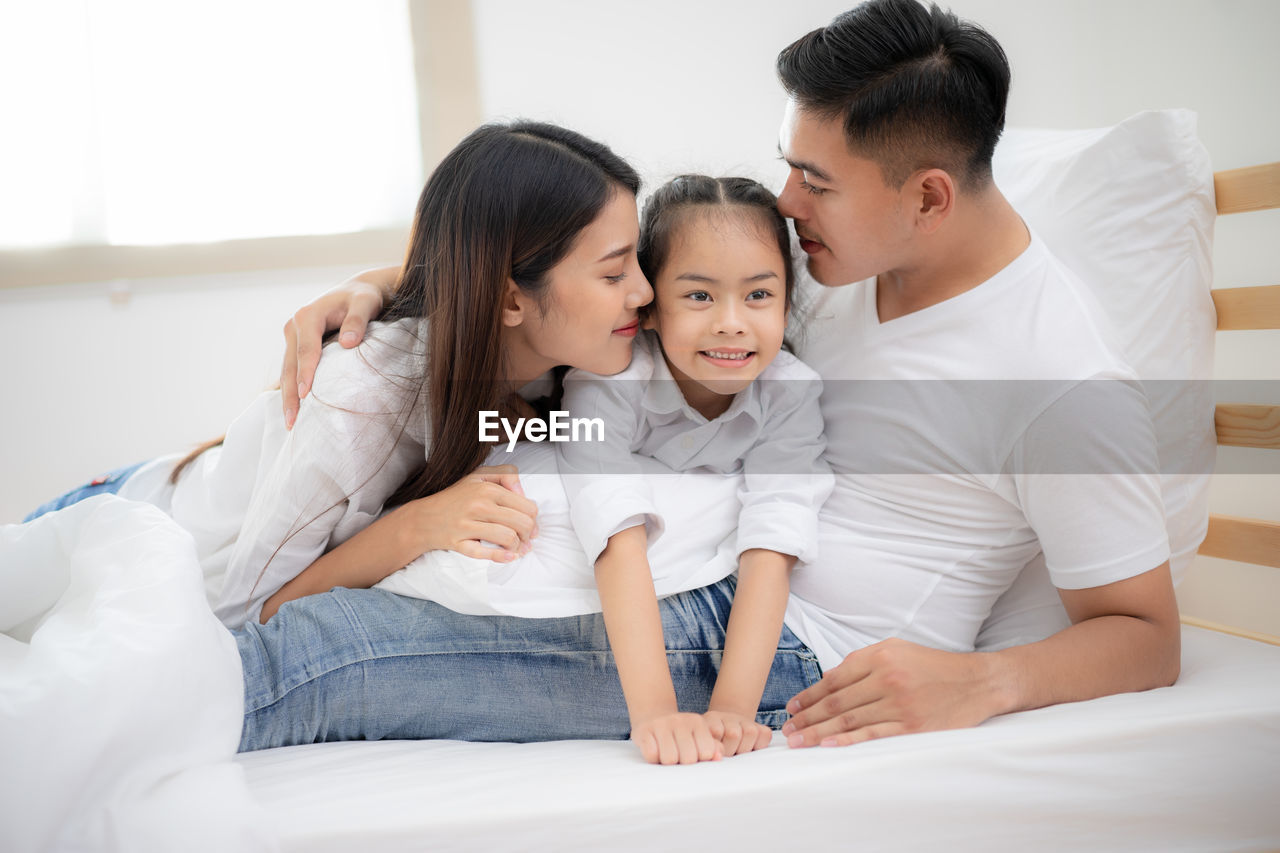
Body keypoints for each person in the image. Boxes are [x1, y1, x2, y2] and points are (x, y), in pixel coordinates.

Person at [243, 0, 1180, 752]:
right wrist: (391, 288)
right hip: (674, 542)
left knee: (325, 660)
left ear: (927, 196)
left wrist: (987, 681)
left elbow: (1148, 633)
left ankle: (148, 702)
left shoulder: (1061, 383)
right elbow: (595, 293)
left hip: (780, 641)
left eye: (814, 180)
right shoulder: (836, 264)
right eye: (788, 166)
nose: (784, 203)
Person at [263, 174, 833, 764]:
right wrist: (657, 713)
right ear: (651, 305)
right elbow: (614, 531)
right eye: (698, 296)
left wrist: (732, 713)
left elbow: (773, 539)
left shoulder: (790, 392)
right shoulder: (609, 380)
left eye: (760, 296)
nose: (732, 322)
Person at [25, 120, 653, 630]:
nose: (644, 294)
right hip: (115, 527)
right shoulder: (358, 402)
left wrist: (377, 282)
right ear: (510, 299)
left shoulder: (564, 354)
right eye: (613, 273)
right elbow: (248, 614)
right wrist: (417, 526)